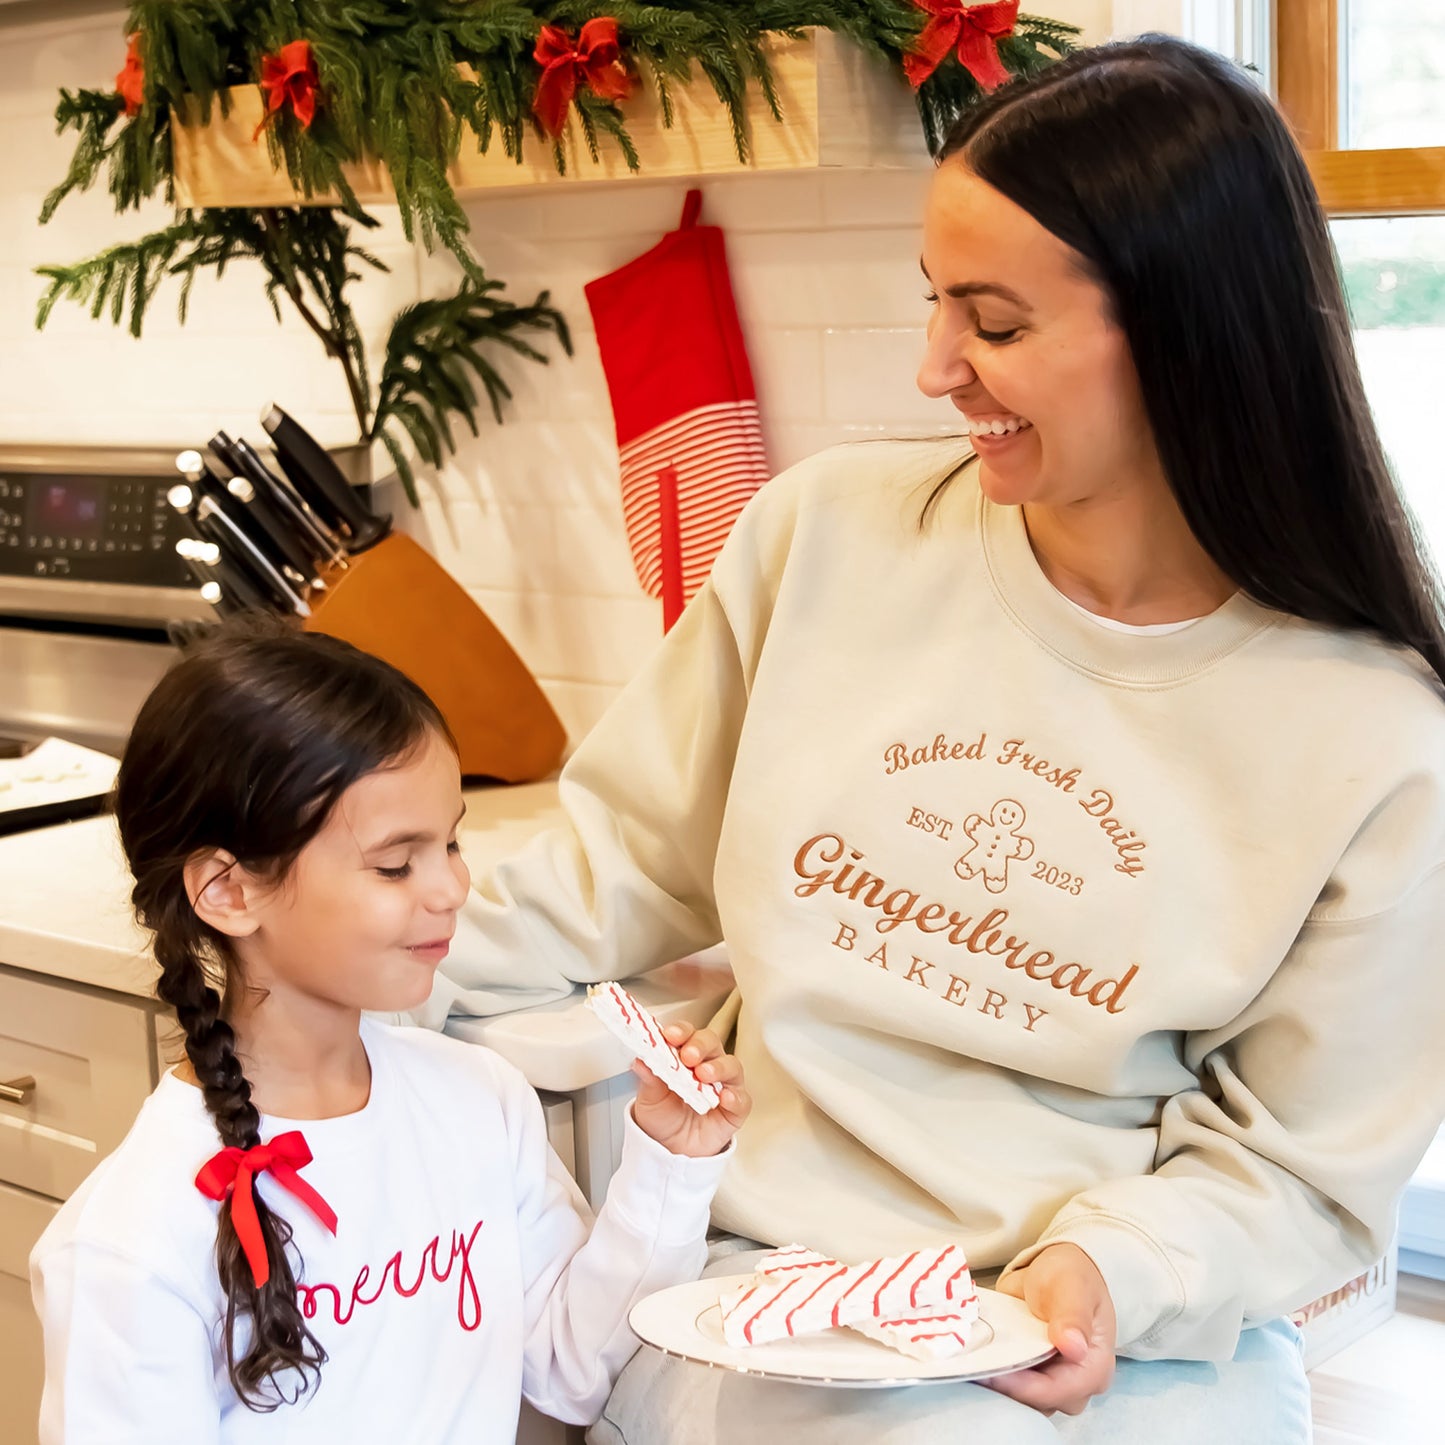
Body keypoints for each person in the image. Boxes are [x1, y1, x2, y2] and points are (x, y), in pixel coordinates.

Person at [419, 34, 1445, 1443]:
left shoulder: (1378, 734)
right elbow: (613, 856)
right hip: (761, 1291)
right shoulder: (825, 536)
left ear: (1186, 330)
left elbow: (1305, 1172)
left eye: (995, 323)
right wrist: (327, 951)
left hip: (1121, 1340)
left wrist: (1106, 1274)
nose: (934, 370)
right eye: (934, 307)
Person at [29, 619, 749, 1444]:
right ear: (228, 890)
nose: (451, 887)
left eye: (450, 841)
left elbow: (574, 1370)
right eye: (395, 863)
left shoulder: (479, 1100)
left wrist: (672, 1165)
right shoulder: (128, 1243)